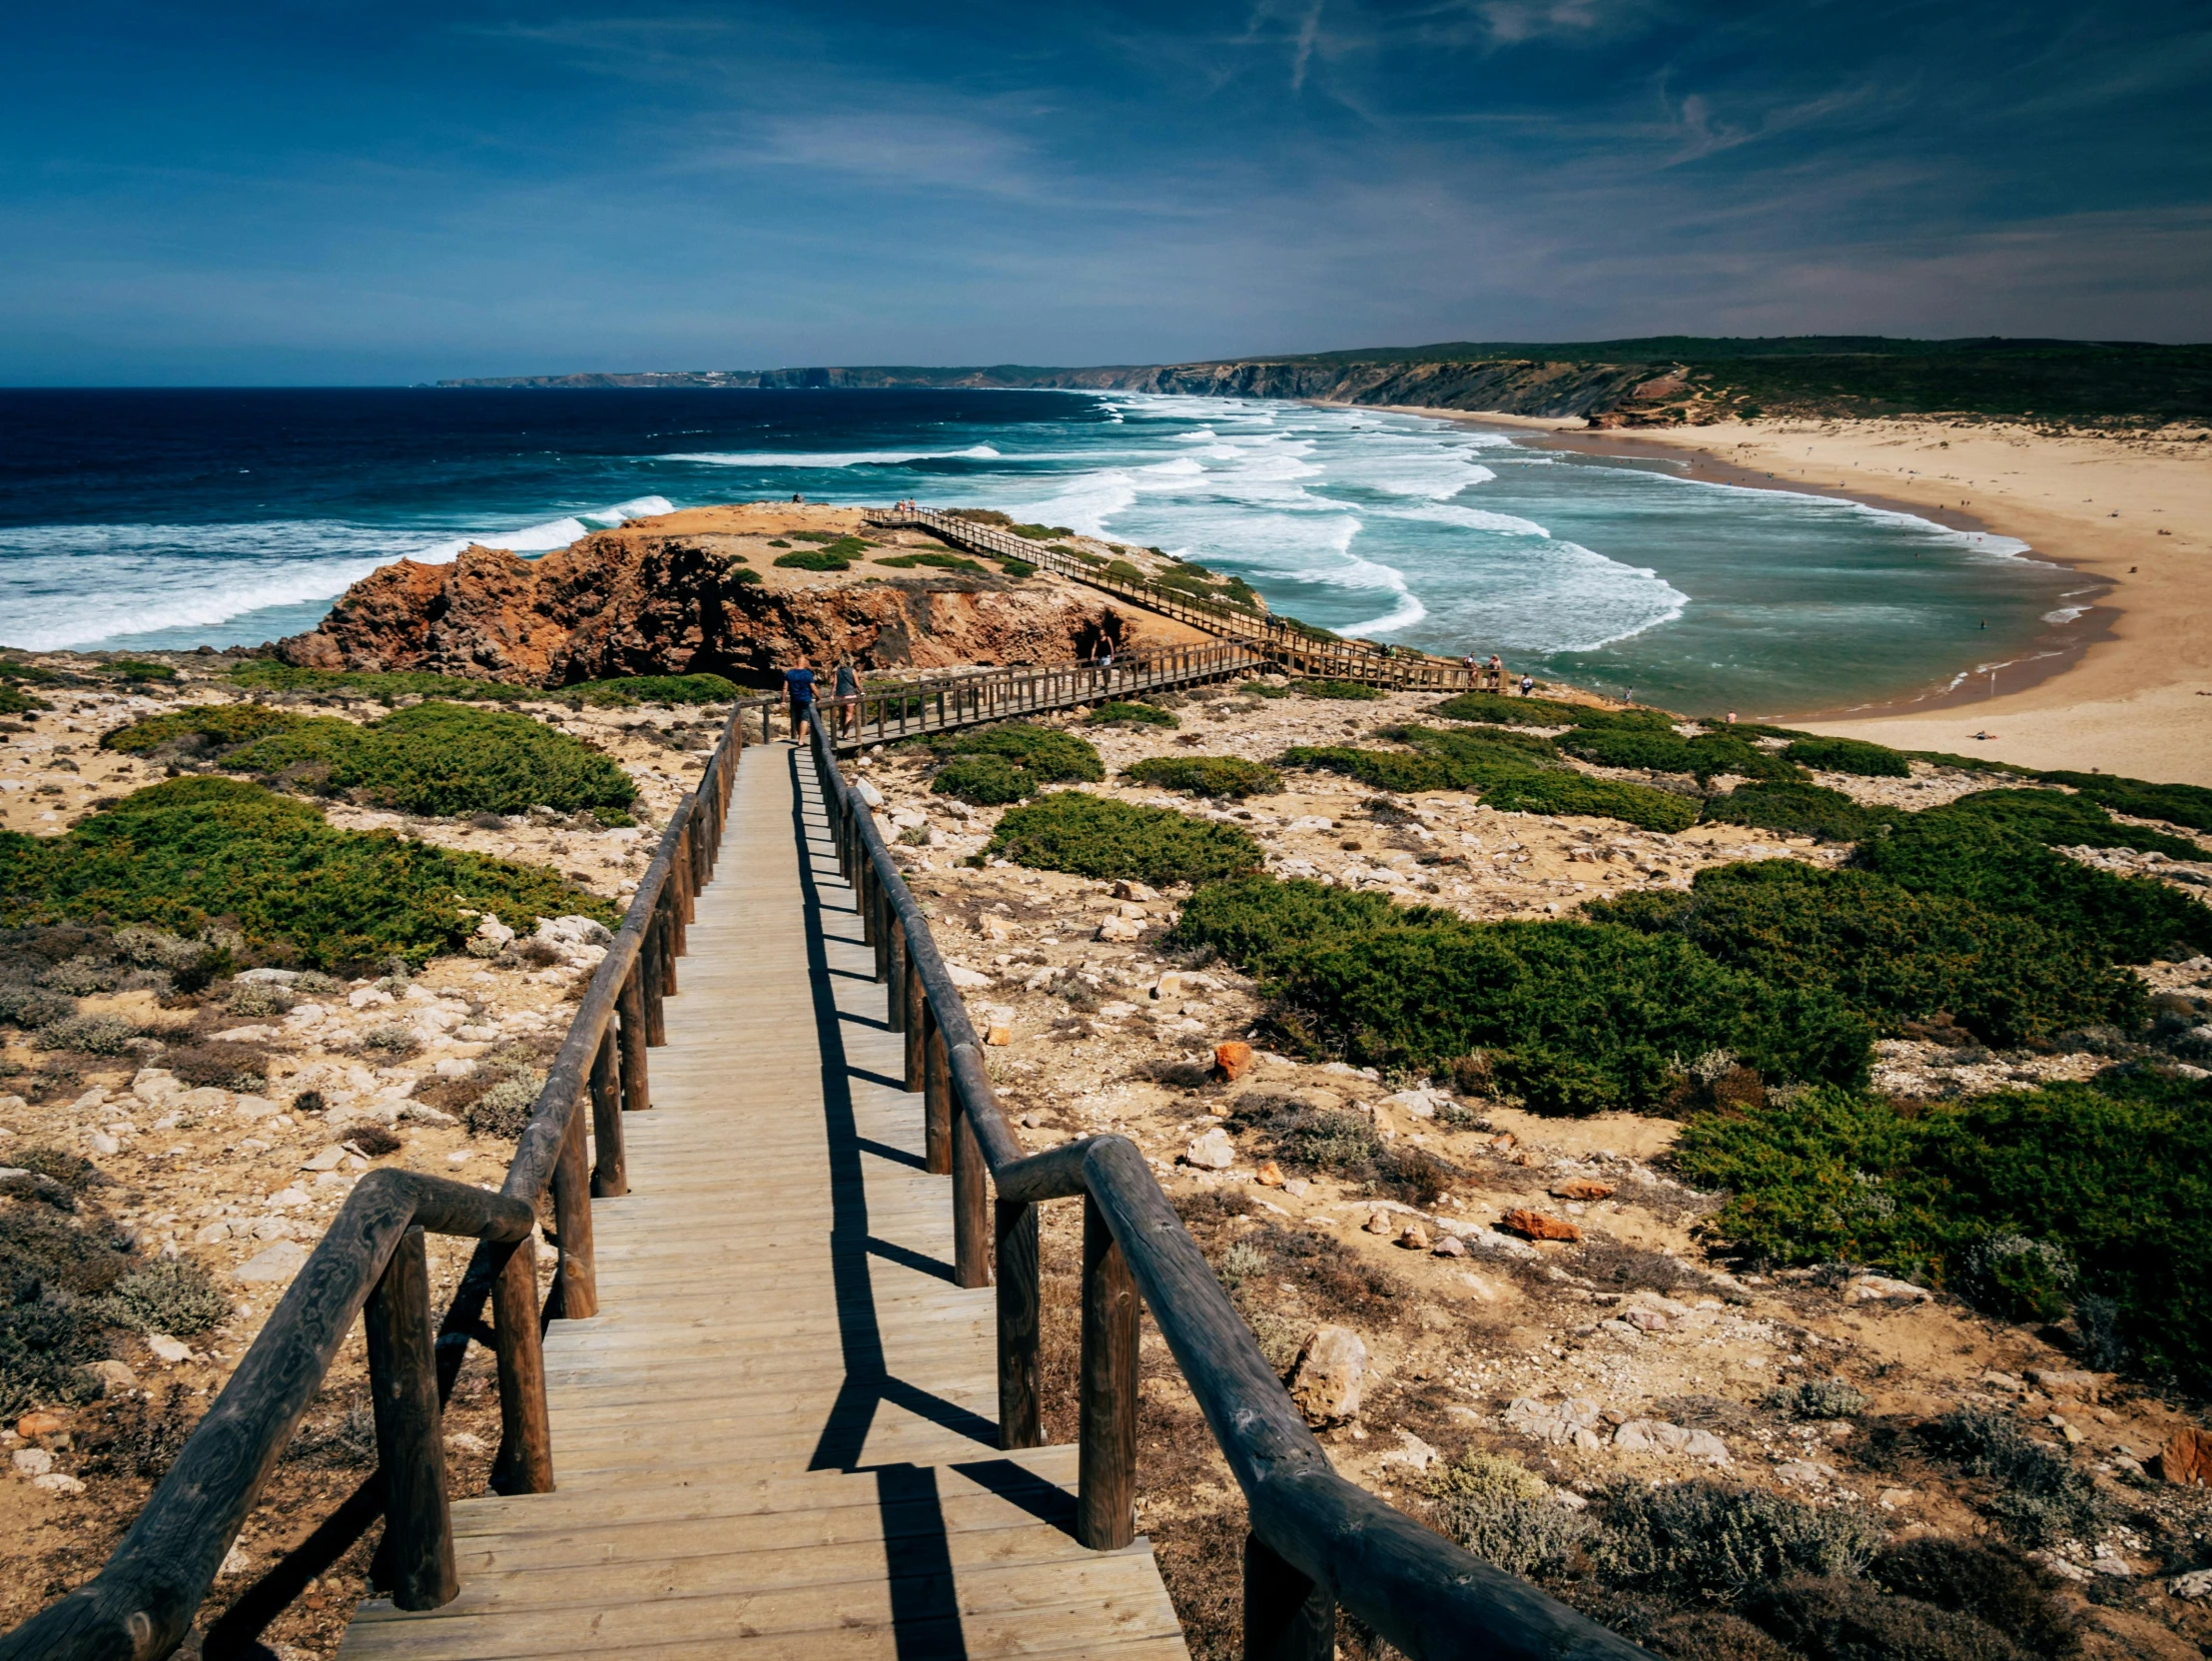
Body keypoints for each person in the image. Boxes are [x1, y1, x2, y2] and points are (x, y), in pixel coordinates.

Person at [783, 654, 817, 739]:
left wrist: (783, 700)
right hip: (806, 698)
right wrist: (818, 697)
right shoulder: (808, 673)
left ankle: (798, 734)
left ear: (796, 662)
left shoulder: (789, 673)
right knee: (804, 718)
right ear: (805, 663)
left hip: (794, 699)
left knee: (797, 718)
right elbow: (813, 688)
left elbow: (785, 688)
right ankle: (801, 739)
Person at [833, 657, 861, 738]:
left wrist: (832, 694)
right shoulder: (852, 670)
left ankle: (841, 728)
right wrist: (862, 691)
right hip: (849, 694)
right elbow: (857, 684)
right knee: (849, 714)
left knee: (842, 713)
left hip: (839, 695)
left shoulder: (837, 671)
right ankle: (845, 733)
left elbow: (834, 684)